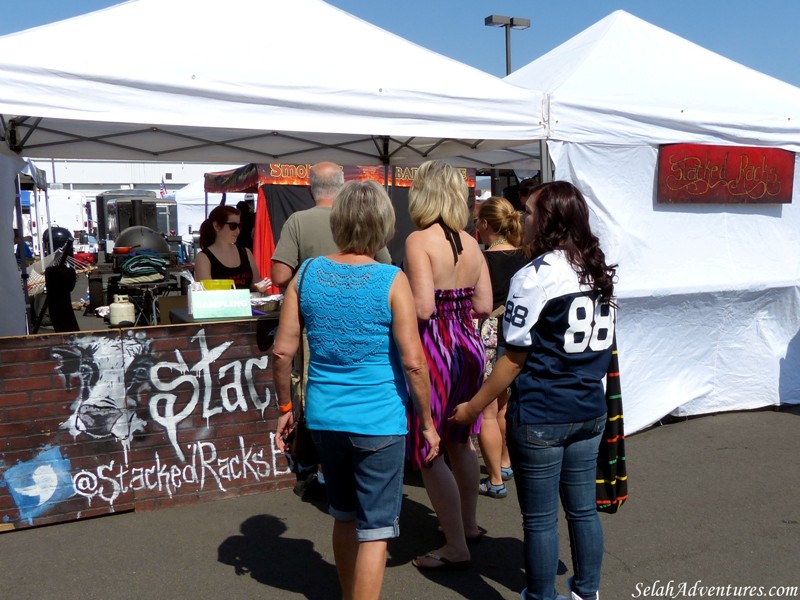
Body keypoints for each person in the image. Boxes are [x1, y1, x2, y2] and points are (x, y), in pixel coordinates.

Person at [273, 180, 439, 600]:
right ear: (384, 224)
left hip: (327, 417)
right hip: (378, 419)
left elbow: (281, 352)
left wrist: (285, 406)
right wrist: (428, 422)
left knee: (344, 515)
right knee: (376, 530)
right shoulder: (391, 279)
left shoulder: (307, 273)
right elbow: (414, 362)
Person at [452, 181, 618, 600]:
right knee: (582, 510)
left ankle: (542, 596)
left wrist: (473, 407)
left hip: (544, 411)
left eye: (529, 212)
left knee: (541, 519)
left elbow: (513, 358)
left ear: (550, 220)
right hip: (589, 408)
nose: (522, 218)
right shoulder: (596, 266)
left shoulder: (536, 276)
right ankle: (586, 591)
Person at [403, 160, 492, 571]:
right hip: (468, 346)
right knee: (460, 440)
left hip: (435, 347)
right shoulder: (472, 243)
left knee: (430, 447)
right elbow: (485, 306)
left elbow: (421, 307)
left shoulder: (419, 240)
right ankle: (468, 526)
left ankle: (456, 545)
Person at [473, 196, 529, 499]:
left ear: (484, 225)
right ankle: (506, 463)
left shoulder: (482, 259)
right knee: (506, 403)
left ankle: (494, 479)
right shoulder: (527, 256)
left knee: (488, 409)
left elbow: (476, 303)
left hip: (490, 334)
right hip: (518, 334)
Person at [270, 161, 391, 289]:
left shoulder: (296, 221)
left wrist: (309, 288)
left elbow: (280, 277)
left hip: (314, 303)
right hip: (360, 299)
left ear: (310, 191)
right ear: (343, 190)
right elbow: (386, 266)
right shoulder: (361, 217)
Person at [194, 204, 270, 291]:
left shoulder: (246, 252)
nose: (238, 231)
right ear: (217, 226)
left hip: (246, 303)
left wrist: (259, 287)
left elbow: (254, 284)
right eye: (232, 226)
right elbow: (206, 292)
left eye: (240, 226)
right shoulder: (204, 257)